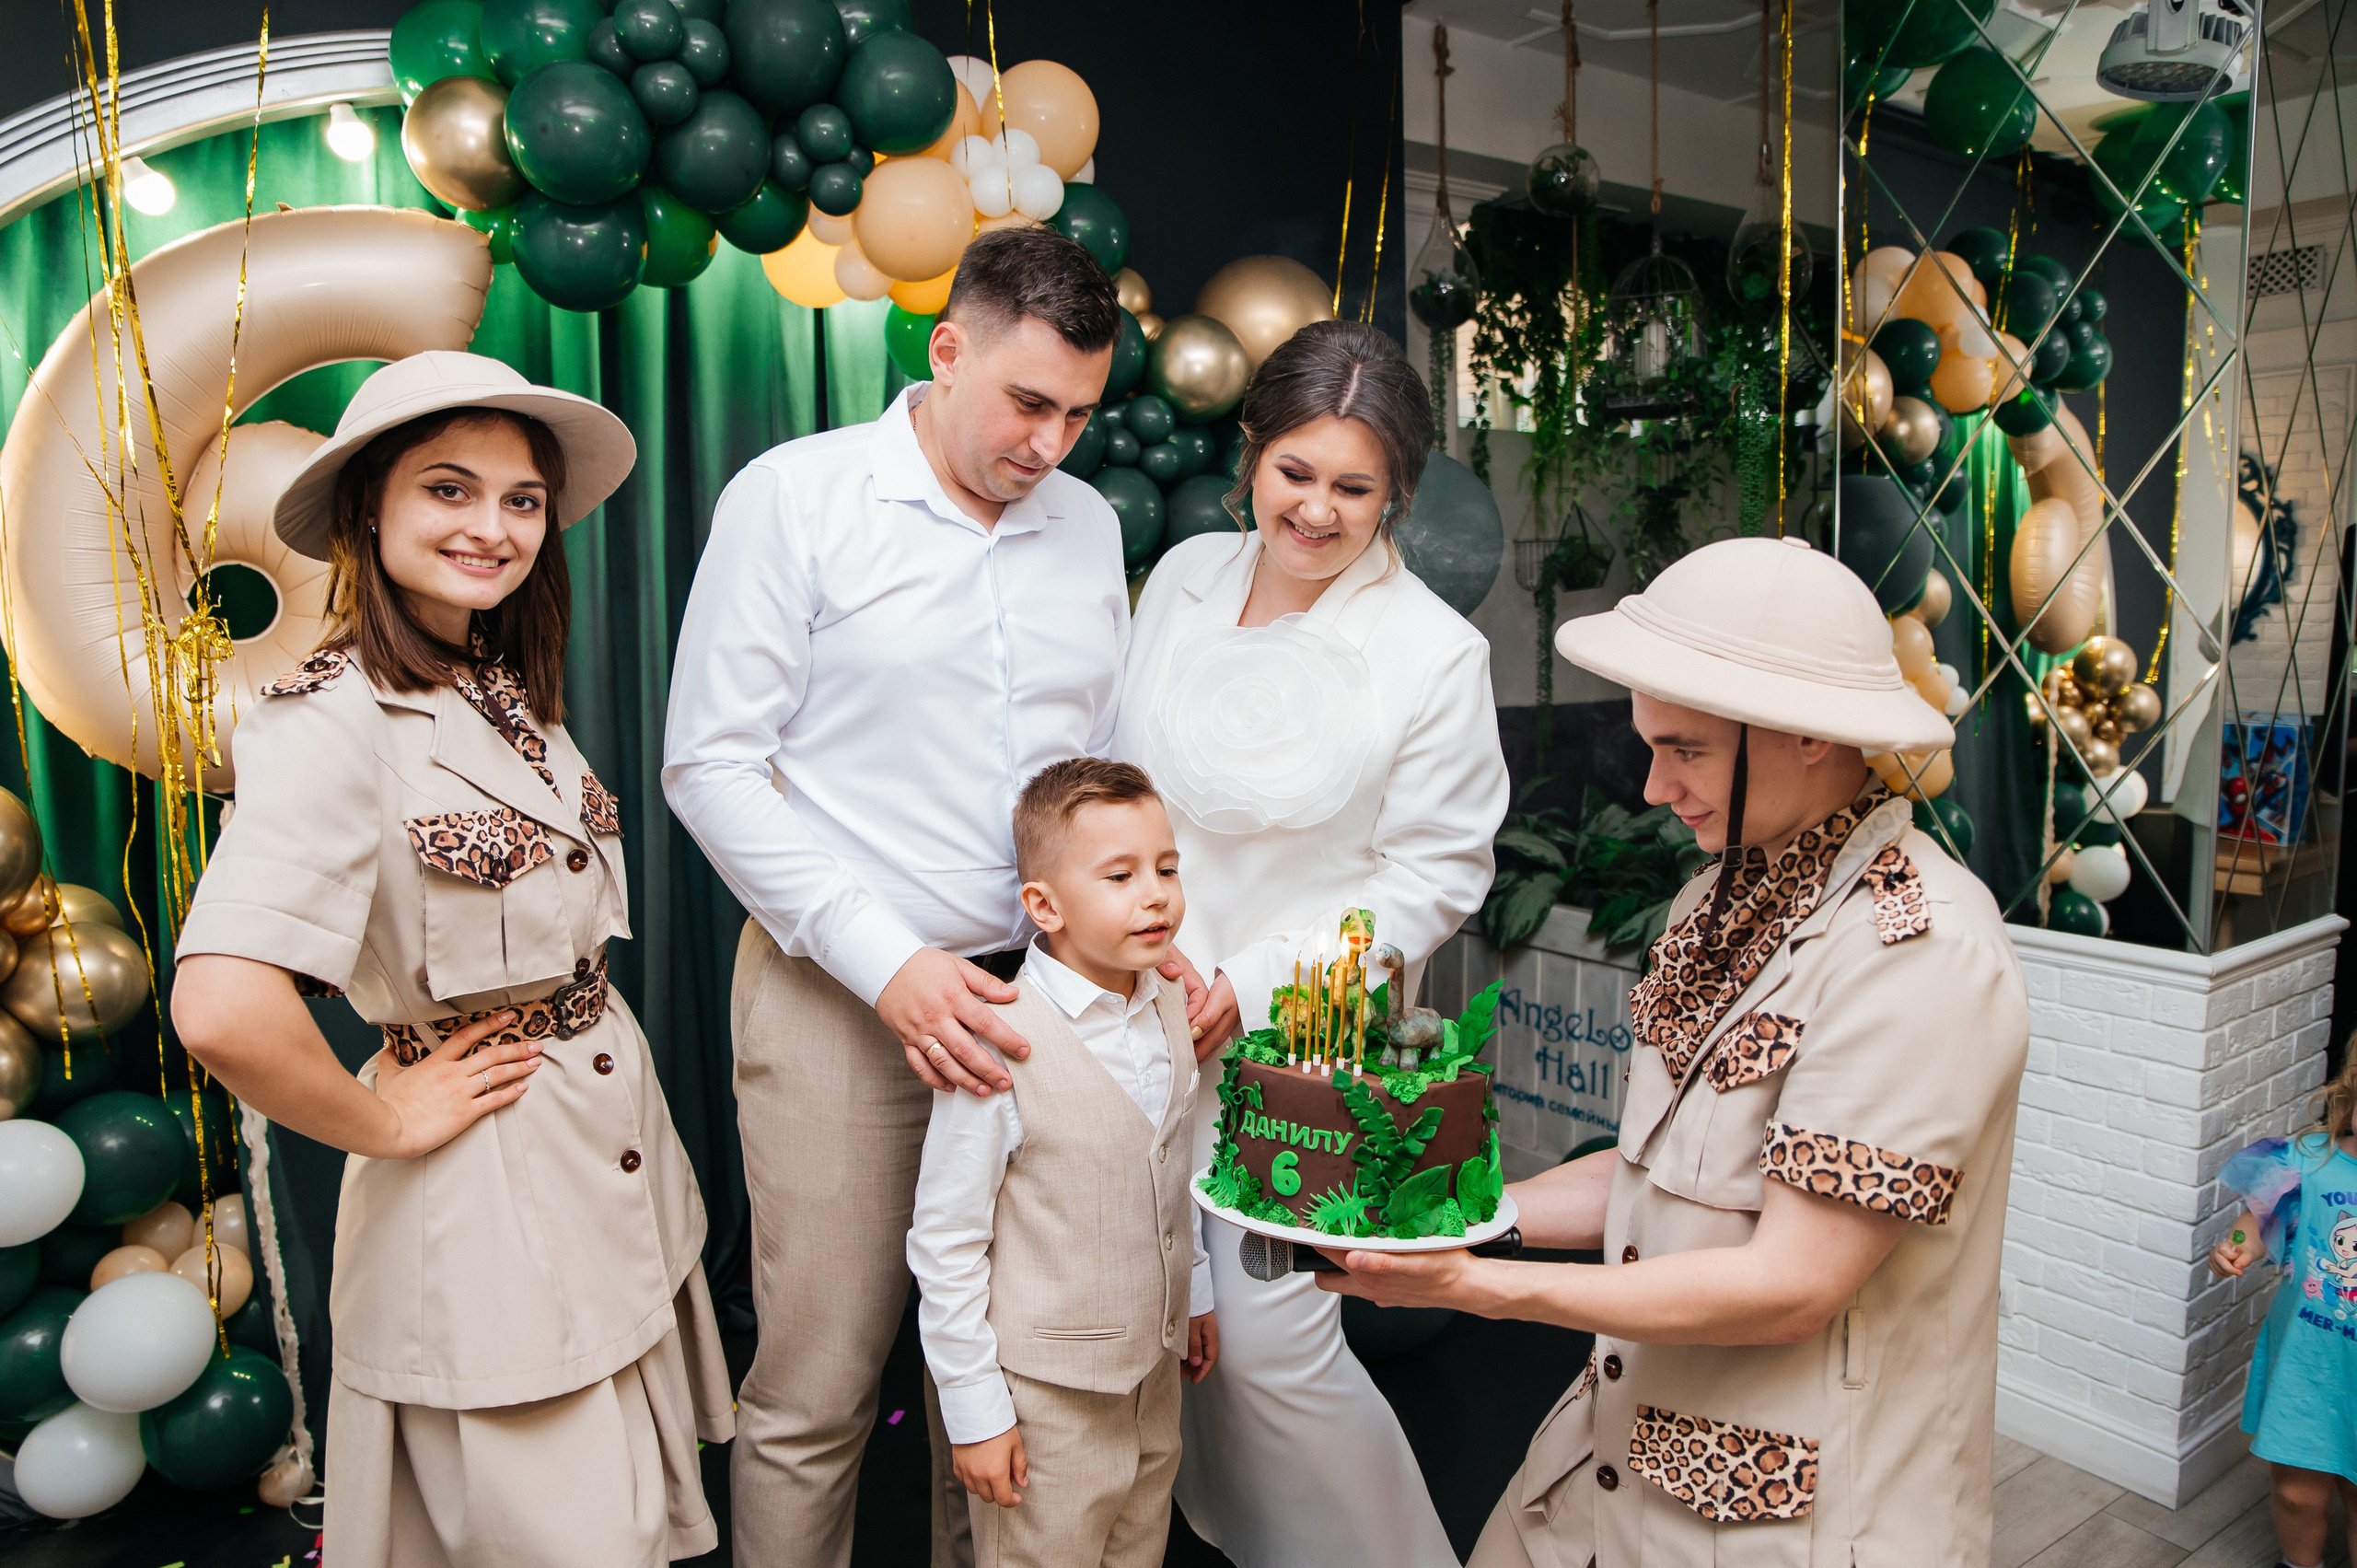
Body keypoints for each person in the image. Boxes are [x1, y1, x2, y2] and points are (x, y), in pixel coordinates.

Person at [662, 225, 1217, 1568]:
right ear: (946, 348)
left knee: (1014, 1374)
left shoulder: (1085, 521)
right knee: (822, 1384)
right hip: (839, 996)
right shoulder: (793, 497)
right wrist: (888, 961)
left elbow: (1103, 771)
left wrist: (1149, 939)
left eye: (1082, 414)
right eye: (1030, 403)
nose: (1053, 445)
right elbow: (709, 763)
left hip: (1048, 1003)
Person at [1317, 535, 2032, 1568]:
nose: (1654, 787)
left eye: (1685, 749)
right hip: (1616, 1449)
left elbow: (1792, 1282)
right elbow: (1650, 1171)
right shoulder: (1713, 896)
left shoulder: (1915, 950)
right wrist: (1455, 1216)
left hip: (1784, 1514)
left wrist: (1484, 1286)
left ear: (1807, 736)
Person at [171, 351, 730, 1568]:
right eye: (448, 488)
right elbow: (219, 1004)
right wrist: (382, 1120)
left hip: (605, 1176)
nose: (493, 526)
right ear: (372, 505)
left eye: (521, 499)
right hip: (492, 1211)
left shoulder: (497, 685)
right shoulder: (323, 720)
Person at [1111, 319, 1508, 1566]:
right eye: (1295, 472)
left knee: (1278, 1339)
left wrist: (1258, 978)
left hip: (1300, 1033)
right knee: (1160, 1317)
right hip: (1132, 997)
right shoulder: (1179, 575)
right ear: (1251, 453)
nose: (1317, 511)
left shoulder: (1435, 652)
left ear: (1397, 488)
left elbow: (1438, 872)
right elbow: (1121, 771)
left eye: (1354, 486)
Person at [909, 758, 1219, 1568]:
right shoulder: (998, 1044)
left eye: (1166, 868)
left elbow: (1173, 1171)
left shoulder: (1170, 1016)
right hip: (1045, 1406)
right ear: (1044, 905)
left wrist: (1197, 1292)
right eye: (1119, 874)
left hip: (1151, 1388)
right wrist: (975, 1411)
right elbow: (946, 1242)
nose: (1154, 893)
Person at [2208, 1046, 2357, 1568]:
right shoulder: (2309, 1159)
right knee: (2298, 1492)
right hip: (2310, 1367)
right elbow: (2257, 1216)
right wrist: (2237, 1247)